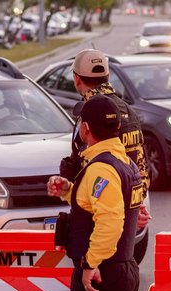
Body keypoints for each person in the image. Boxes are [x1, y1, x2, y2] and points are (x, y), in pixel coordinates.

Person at [47, 95, 142, 291]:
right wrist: (70, 191)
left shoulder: (101, 168)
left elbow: (110, 220)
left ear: (85, 129)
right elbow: (108, 204)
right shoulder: (124, 162)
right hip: (123, 270)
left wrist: (90, 264)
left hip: (104, 274)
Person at [62, 49, 151, 228]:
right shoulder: (129, 111)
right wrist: (136, 205)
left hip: (99, 213)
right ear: (108, 75)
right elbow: (140, 167)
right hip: (127, 209)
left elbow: (89, 168)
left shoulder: (92, 112)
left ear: (76, 78)